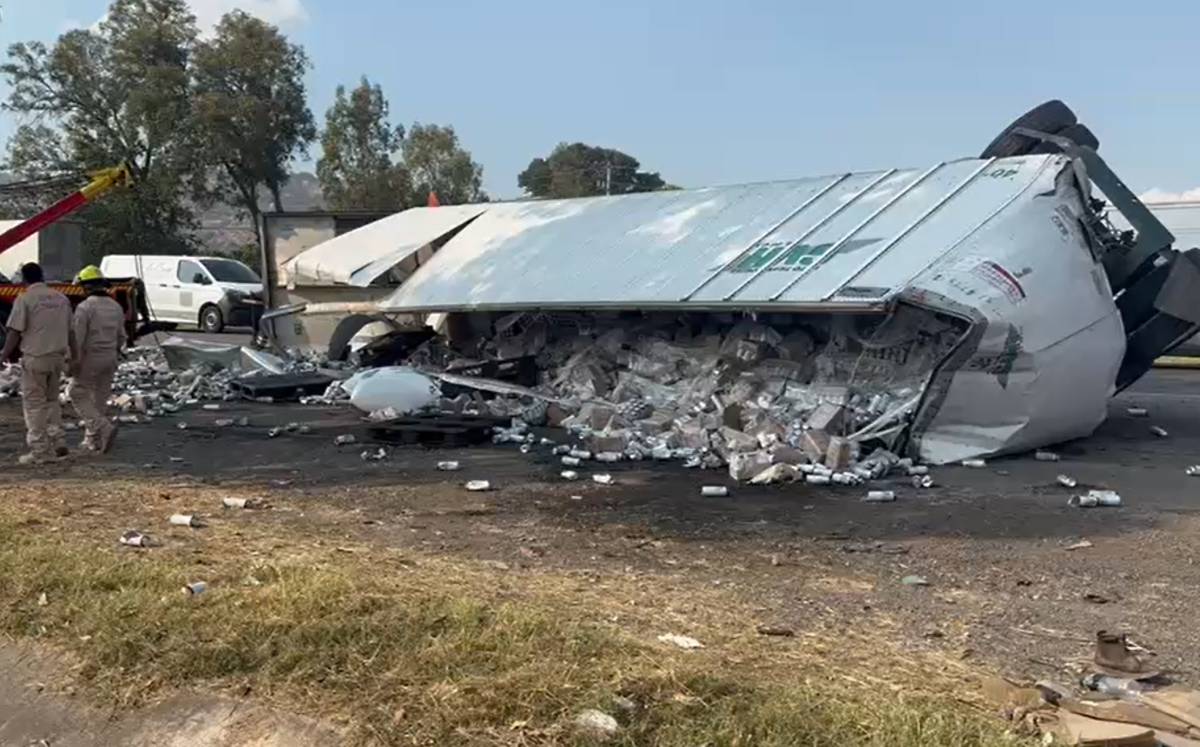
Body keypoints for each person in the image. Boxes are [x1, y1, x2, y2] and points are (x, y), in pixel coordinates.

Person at [1, 262, 73, 464]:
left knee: (34, 405)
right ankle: (58, 440)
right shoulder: (61, 298)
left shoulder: (25, 299)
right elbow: (71, 331)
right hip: (57, 358)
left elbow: (14, 331)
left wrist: (3, 355)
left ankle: (40, 450)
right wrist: (74, 356)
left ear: (24, 279)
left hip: (36, 357)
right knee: (51, 401)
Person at [69, 265, 125, 454]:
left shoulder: (85, 308)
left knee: (76, 392)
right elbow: (121, 337)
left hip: (91, 357)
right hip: (110, 357)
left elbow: (78, 339)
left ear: (85, 287)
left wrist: (73, 361)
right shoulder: (115, 307)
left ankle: (103, 427)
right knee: (99, 398)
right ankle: (91, 440)